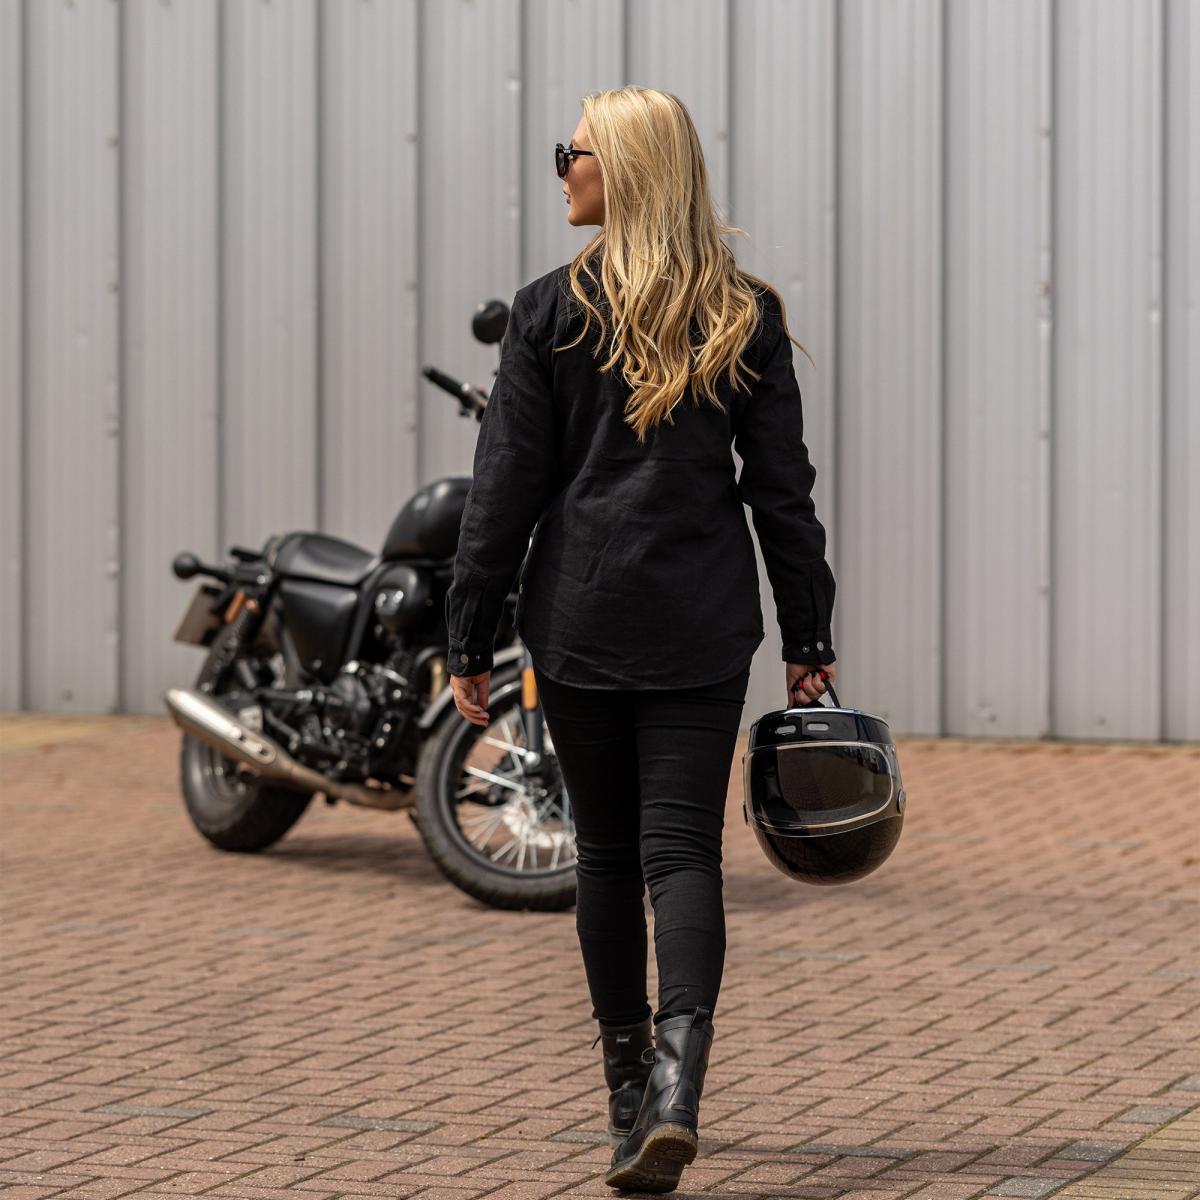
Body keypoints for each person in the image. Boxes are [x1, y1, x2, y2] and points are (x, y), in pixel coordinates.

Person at [444, 85, 838, 1194]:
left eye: (571, 150)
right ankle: (675, 1091)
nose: (561, 167)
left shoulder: (546, 312)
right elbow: (783, 495)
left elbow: (503, 492)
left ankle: (629, 1093)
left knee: (610, 857)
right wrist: (809, 631)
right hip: (702, 621)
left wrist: (468, 633)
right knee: (682, 856)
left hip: (579, 620)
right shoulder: (743, 312)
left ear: (619, 169)